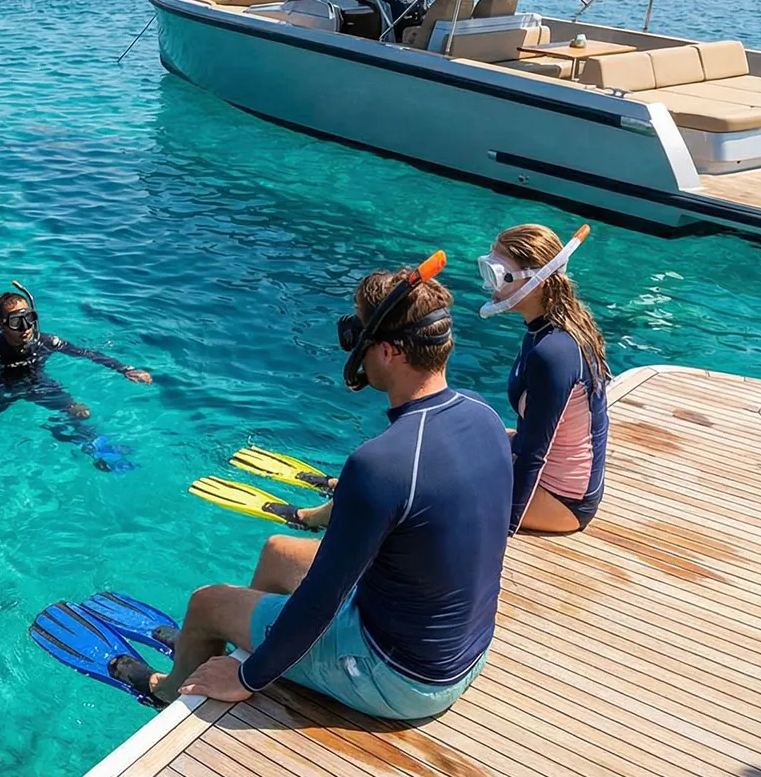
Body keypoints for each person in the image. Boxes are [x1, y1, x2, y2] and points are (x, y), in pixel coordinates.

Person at [112, 257, 511, 720]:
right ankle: (244, 633)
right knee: (278, 550)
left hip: (398, 678)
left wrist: (249, 677)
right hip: (463, 652)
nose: (354, 349)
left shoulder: (380, 463)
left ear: (389, 352)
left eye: (357, 335)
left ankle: (170, 687)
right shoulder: (484, 416)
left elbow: (323, 598)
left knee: (206, 602)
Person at [0, 283, 151, 486]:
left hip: (35, 384)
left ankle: (93, 447)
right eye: (16, 321)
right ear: (1, 325)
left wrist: (125, 369)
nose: (25, 327)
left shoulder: (47, 341)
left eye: (29, 318)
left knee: (80, 412)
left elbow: (87, 353)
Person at [478, 223, 610, 535]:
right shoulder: (549, 331)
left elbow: (534, 455)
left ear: (536, 283)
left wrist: (506, 529)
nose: (488, 286)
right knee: (457, 439)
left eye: (496, 274)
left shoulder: (552, 353)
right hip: (551, 475)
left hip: (562, 500)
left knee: (441, 495)